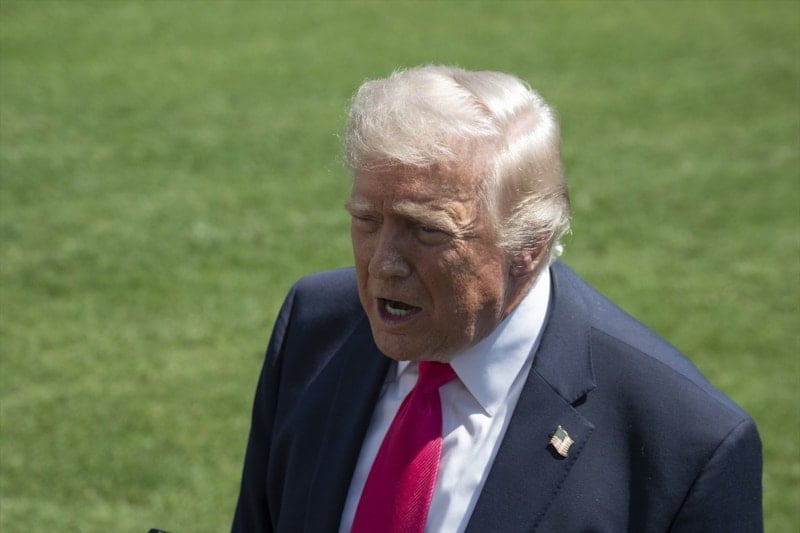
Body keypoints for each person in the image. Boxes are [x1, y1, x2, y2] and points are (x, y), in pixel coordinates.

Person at [231, 65, 762, 532]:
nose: (383, 264)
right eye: (367, 220)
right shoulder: (314, 327)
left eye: (427, 230)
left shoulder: (686, 443)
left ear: (528, 246)